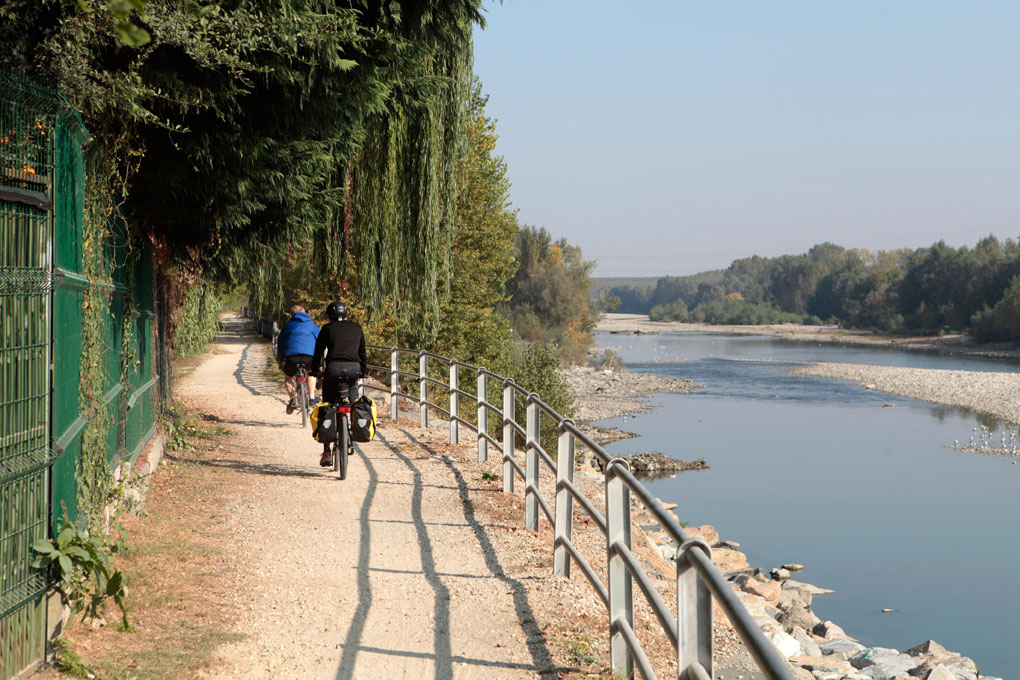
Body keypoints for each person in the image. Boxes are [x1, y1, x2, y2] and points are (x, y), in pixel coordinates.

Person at [311, 301, 367, 467]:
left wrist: (315, 370)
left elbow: (318, 352)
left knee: (327, 404)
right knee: (353, 398)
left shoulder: (327, 329)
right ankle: (354, 424)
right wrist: (362, 371)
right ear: (347, 314)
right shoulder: (357, 328)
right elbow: (362, 352)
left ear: (329, 316)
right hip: (353, 370)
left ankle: (327, 450)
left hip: (333, 369)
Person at [275, 305, 320, 414]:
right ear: (305, 313)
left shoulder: (288, 326)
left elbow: (280, 343)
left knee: (288, 377)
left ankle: (292, 399)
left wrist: (281, 358)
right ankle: (312, 398)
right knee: (311, 374)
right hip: (309, 357)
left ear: (292, 314)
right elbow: (320, 340)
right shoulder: (312, 325)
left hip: (291, 357)